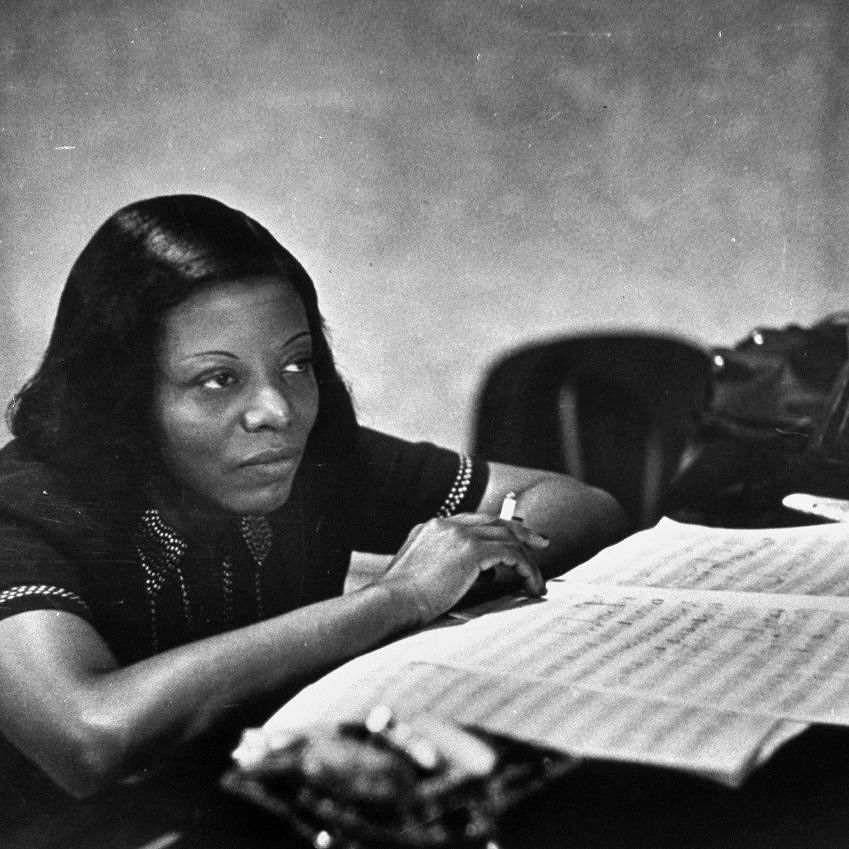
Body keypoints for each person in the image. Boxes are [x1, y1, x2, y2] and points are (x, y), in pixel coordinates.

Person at [0, 194, 627, 809]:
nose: (277, 410)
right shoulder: (26, 507)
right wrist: (398, 598)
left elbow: (580, 505)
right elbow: (87, 737)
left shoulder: (316, 458)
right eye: (218, 379)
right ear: (123, 395)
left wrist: (452, 568)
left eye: (296, 364)